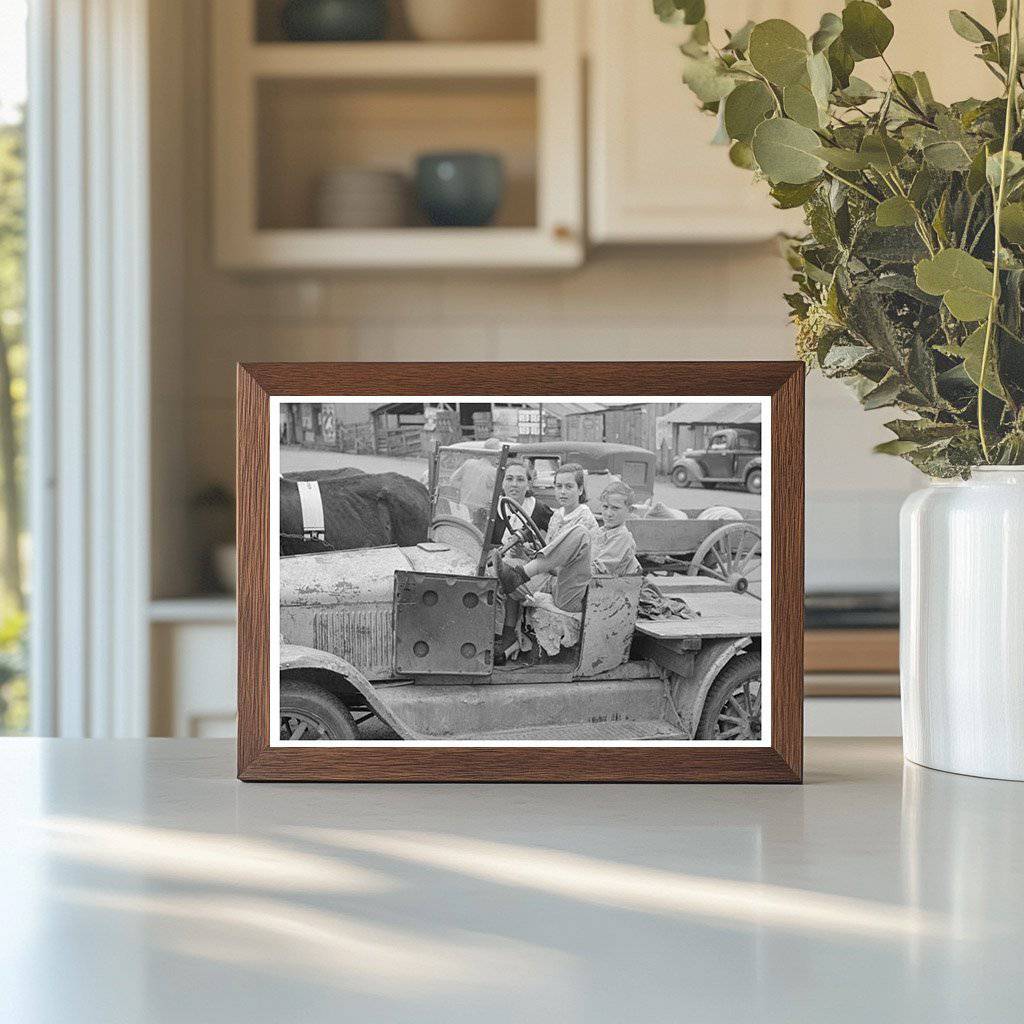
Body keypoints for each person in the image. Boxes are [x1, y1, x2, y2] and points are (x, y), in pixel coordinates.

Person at [493, 462, 595, 616]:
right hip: (553, 578)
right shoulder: (557, 516)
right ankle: (508, 634)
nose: (562, 492)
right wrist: (526, 553)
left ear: (580, 490)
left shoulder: (584, 520)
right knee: (504, 566)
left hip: (572, 584)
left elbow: (558, 565)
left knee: (505, 576)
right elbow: (548, 554)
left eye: (569, 487)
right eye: (558, 486)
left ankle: (506, 630)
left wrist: (531, 559)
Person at [495, 458, 552, 545]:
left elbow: (558, 535)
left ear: (528, 484)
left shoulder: (538, 508)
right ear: (502, 483)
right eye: (509, 479)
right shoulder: (491, 508)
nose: (514, 484)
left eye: (520, 480)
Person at [591, 479, 641, 576]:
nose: (608, 514)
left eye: (615, 508)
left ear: (629, 510)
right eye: (605, 507)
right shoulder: (600, 532)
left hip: (608, 588)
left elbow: (600, 569)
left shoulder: (622, 536)